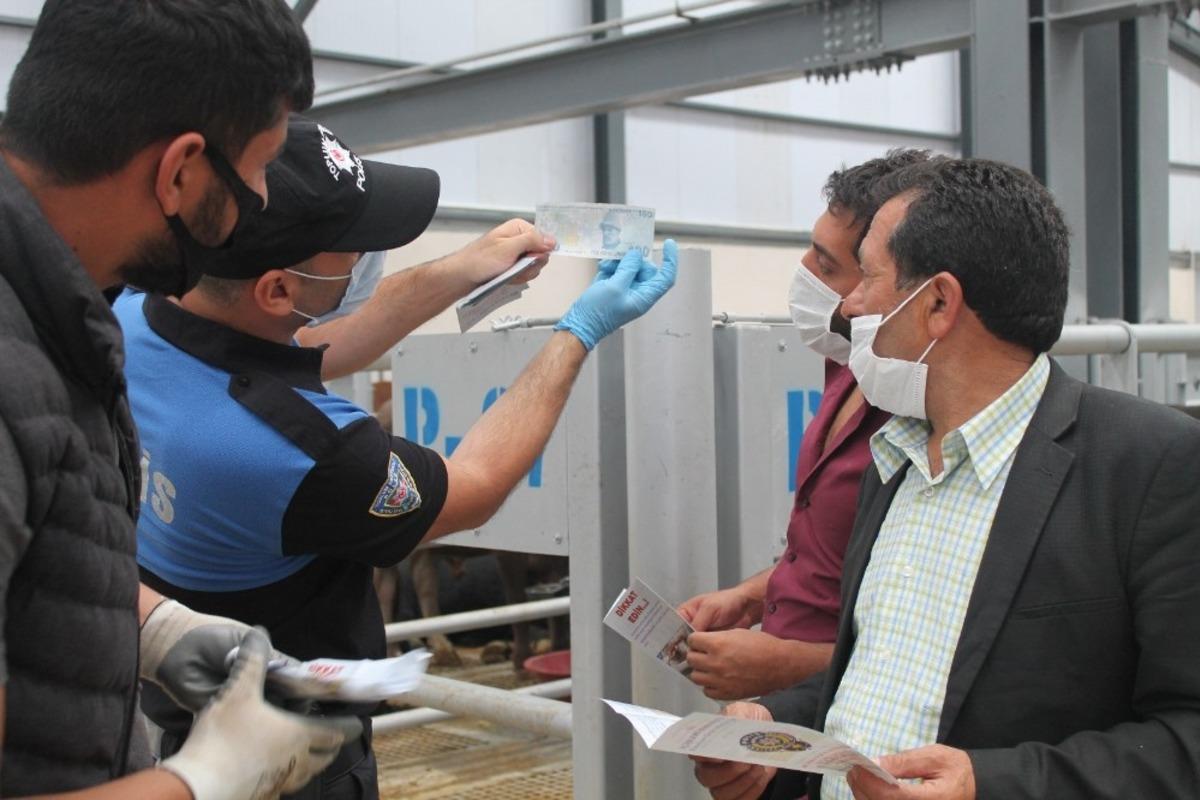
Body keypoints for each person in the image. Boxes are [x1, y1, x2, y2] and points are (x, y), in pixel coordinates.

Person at [115, 113, 678, 798]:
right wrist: (577, 332)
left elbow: (317, 344)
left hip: (186, 718)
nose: (363, 256)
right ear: (279, 289)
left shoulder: (137, 317)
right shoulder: (306, 452)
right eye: (348, 248)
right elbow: (477, 483)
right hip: (293, 761)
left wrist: (465, 267)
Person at [694, 157, 1200, 800]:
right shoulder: (894, 460)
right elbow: (877, 678)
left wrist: (986, 785)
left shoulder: (1149, 466)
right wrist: (773, 733)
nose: (850, 304)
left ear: (937, 303)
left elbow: (1187, 737)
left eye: (868, 277)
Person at [0, 1, 362, 797]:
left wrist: (150, 624)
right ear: (181, 171)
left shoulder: (58, 309)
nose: (258, 201)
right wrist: (208, 778)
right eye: (259, 171)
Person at [677, 151, 930, 701]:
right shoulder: (849, 366)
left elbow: (934, 636)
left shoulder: (924, 411)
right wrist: (751, 597)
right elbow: (829, 551)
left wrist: (793, 665)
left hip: (854, 704)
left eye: (827, 265)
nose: (804, 272)